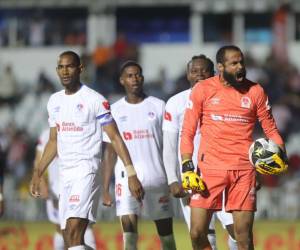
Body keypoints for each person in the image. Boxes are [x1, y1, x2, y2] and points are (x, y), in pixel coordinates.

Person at [30, 51, 144, 250]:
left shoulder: (95, 100)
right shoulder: (54, 102)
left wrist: (131, 172)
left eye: (70, 66)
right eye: (61, 67)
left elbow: (115, 137)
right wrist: (38, 173)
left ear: (80, 69)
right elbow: (52, 141)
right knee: (68, 235)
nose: (65, 71)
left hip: (87, 171)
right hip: (65, 175)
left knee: (74, 231)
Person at [180, 45, 287, 250]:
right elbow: (188, 131)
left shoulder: (255, 91)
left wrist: (281, 153)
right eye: (234, 63)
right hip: (209, 170)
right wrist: (187, 165)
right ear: (220, 67)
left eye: (242, 62)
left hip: (243, 171)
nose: (240, 67)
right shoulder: (203, 90)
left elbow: (271, 130)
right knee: (196, 233)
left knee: (243, 237)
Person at [163, 55, 237, 250]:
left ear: (213, 73)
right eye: (194, 71)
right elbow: (170, 145)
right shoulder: (175, 103)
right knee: (202, 235)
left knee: (237, 230)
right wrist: (172, 178)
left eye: (204, 70)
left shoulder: (227, 97)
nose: (199, 75)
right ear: (188, 74)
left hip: (223, 173)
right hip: (193, 178)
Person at [101, 61, 176, 250]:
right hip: (126, 179)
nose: (135, 79)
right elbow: (110, 151)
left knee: (167, 238)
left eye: (138, 75)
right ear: (121, 80)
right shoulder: (114, 110)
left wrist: (174, 177)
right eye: (130, 75)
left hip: (157, 177)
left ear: (142, 78)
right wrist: (104, 187)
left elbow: (169, 146)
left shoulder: (159, 106)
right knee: (130, 237)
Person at [33, 128, 96, 250]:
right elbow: (38, 160)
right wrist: (41, 181)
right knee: (61, 228)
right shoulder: (46, 134)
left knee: (82, 225)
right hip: (55, 188)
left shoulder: (78, 128)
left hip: (78, 184)